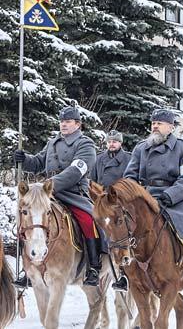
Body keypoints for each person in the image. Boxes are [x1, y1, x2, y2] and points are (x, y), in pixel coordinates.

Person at [14, 106, 106, 288]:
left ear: (78, 124)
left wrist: (49, 185)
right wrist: (24, 160)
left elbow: (75, 171)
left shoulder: (86, 144)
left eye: (68, 121)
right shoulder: (53, 142)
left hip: (73, 194)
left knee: (88, 221)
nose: (63, 124)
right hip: (49, 195)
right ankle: (28, 268)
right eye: (62, 121)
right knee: (26, 221)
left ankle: (93, 267)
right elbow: (38, 163)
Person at [124, 108, 183, 293]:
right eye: (153, 123)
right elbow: (130, 177)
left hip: (175, 195)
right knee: (121, 225)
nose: (155, 126)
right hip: (144, 196)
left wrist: (169, 196)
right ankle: (124, 275)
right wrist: (134, 195)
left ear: (171, 127)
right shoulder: (141, 148)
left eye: (159, 124)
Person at [90, 129, 131, 291]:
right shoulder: (99, 159)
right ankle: (96, 260)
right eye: (109, 141)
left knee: (122, 228)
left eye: (114, 141)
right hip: (102, 200)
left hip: (120, 201)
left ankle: (124, 265)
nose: (111, 144)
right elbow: (92, 180)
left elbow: (130, 181)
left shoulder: (128, 158)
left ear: (120, 143)